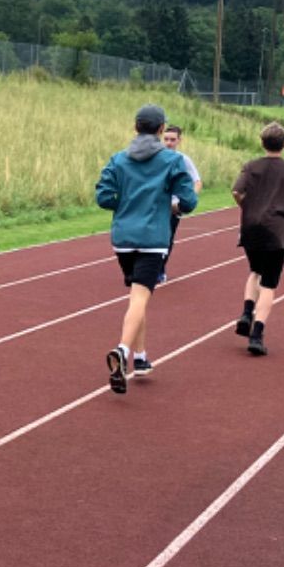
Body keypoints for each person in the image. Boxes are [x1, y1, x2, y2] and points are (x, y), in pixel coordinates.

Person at [97, 104, 199, 391]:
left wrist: (126, 204)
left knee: (136, 297)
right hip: (153, 238)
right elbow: (189, 201)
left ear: (135, 127)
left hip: (123, 238)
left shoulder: (118, 159)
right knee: (140, 298)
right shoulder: (172, 160)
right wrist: (174, 206)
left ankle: (140, 358)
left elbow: (103, 197)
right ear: (160, 129)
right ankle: (122, 350)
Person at [231, 122, 284, 357]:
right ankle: (257, 334)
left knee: (255, 271)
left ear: (262, 142)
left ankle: (246, 313)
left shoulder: (251, 166)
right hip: (275, 229)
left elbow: (236, 191)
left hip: (250, 226)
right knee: (269, 284)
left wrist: (247, 206)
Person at [158, 123, 203, 284]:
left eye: (172, 140)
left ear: (179, 141)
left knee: (167, 239)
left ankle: (160, 269)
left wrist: (188, 200)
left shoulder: (183, 160)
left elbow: (197, 182)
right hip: (156, 205)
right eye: (166, 139)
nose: (168, 143)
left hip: (173, 207)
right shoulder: (156, 158)